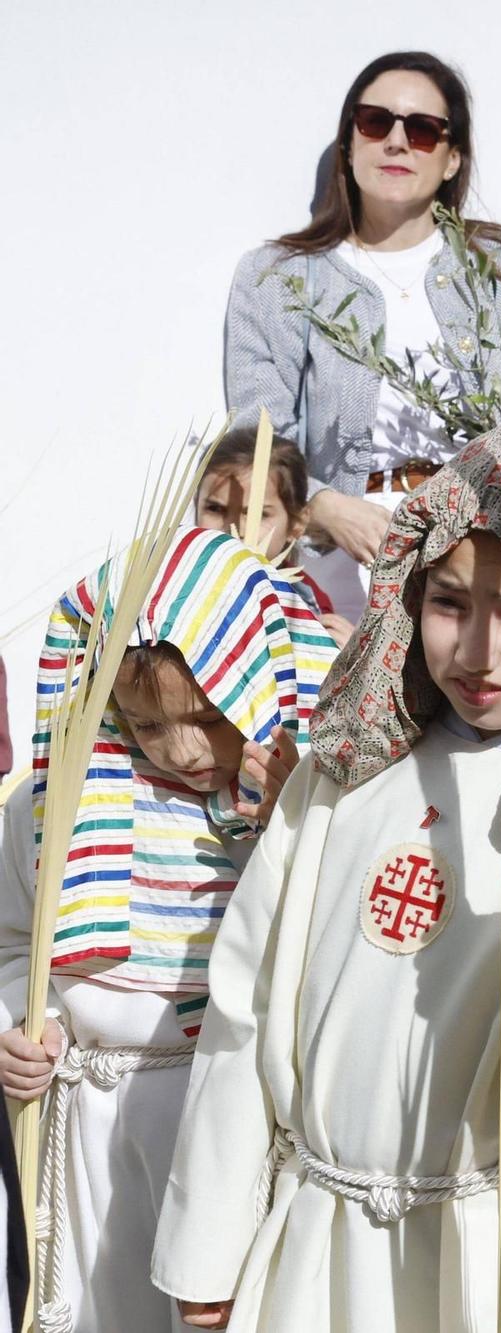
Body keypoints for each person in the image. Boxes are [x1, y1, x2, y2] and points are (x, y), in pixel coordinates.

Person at [149, 421, 501, 1332]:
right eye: (450, 603)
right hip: (331, 1259)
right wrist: (210, 1245)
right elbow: (242, 1014)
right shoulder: (341, 777)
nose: (475, 653)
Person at [0, 527, 330, 1331]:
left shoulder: (308, 800)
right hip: (89, 1122)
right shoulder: (58, 802)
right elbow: (13, 939)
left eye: (209, 717)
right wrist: (17, 1019)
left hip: (229, 1124)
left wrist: (295, 821)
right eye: (147, 726)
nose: (182, 751)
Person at [223, 51, 501, 623]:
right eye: (376, 122)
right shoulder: (277, 277)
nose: (397, 141)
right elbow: (259, 439)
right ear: (349, 143)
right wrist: (324, 507)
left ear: (452, 159)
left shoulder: (497, 268)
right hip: (341, 555)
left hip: (479, 548)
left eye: (422, 130)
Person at [192, 425, 356, 644]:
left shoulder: (306, 602)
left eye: (258, 514)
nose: (235, 529)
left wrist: (341, 658)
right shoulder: (171, 584)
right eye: (215, 509)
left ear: (297, 523)